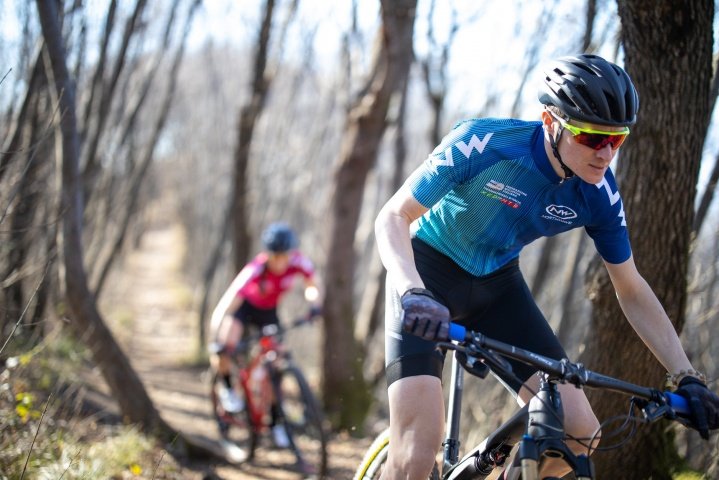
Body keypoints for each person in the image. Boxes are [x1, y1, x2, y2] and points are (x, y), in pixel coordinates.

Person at [374, 53, 719, 479]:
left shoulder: (599, 195)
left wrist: (685, 376)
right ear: (550, 121)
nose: (605, 153)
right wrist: (412, 291)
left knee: (580, 433)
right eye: (592, 137)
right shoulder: (484, 143)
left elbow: (630, 288)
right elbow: (392, 217)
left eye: (617, 140)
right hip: (426, 275)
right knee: (415, 452)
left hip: (497, 289)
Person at [209, 222, 322, 448]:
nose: (280, 262)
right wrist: (216, 332)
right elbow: (229, 300)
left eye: (284, 256)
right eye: (275, 256)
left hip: (268, 313)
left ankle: (276, 422)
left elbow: (312, 284)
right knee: (226, 343)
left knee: (276, 363)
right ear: (268, 254)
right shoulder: (256, 269)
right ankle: (228, 388)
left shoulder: (298, 262)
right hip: (244, 309)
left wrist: (314, 305)